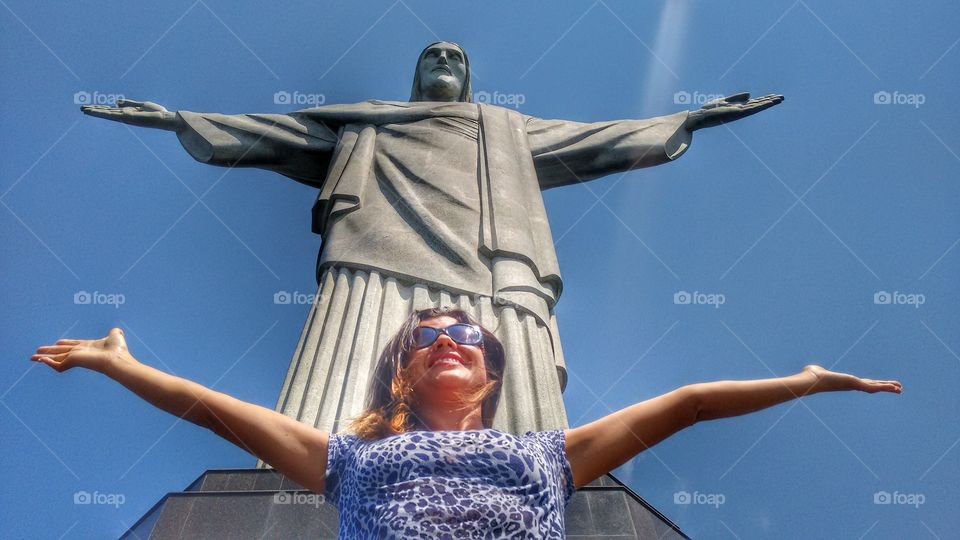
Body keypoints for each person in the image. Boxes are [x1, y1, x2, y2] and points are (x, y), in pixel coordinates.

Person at [78, 41, 785, 436]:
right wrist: (175, 119)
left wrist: (687, 121)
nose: (443, 59)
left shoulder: (505, 128)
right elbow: (272, 133)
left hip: (493, 259)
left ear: (469, 77)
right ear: (416, 76)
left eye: (455, 56)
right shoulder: (367, 119)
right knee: (352, 361)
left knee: (496, 367)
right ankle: (322, 454)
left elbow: (597, 140)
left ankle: (514, 450)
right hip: (372, 252)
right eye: (432, 55)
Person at [31, 307, 901, 538]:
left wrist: (806, 382)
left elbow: (690, 403)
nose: (449, 341)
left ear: (490, 372)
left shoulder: (547, 454)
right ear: (406, 370)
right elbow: (214, 411)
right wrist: (122, 364)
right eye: (427, 337)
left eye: (468, 336)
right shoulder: (349, 458)